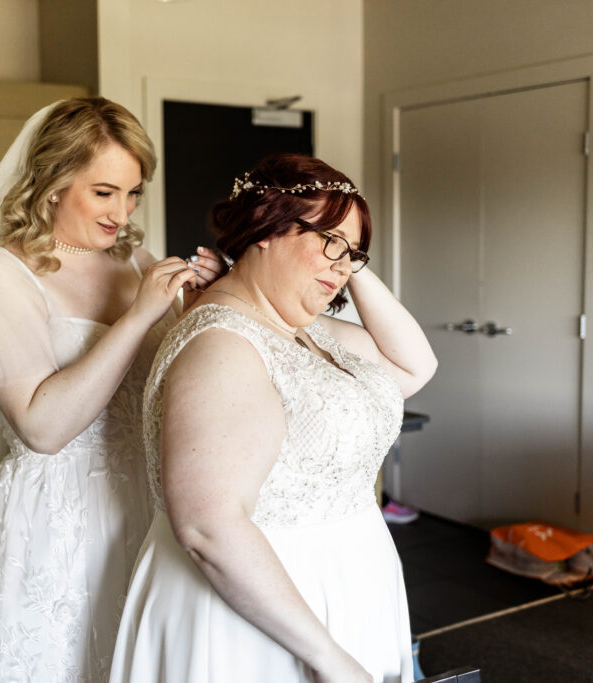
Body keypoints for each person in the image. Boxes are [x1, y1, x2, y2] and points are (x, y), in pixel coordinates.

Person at [109, 154, 438, 683]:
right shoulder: (223, 343)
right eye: (329, 240)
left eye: (354, 252)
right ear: (267, 227)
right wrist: (328, 658)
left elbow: (415, 365)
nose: (343, 264)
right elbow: (207, 527)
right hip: (263, 611)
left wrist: (346, 263)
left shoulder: (305, 328)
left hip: (349, 586)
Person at [0, 97, 223, 683]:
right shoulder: (3, 273)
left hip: (146, 501)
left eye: (133, 192)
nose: (123, 212)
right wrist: (138, 317)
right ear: (52, 184)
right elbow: (42, 428)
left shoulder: (137, 261)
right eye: (104, 192)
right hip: (57, 519)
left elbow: (170, 390)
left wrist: (200, 310)